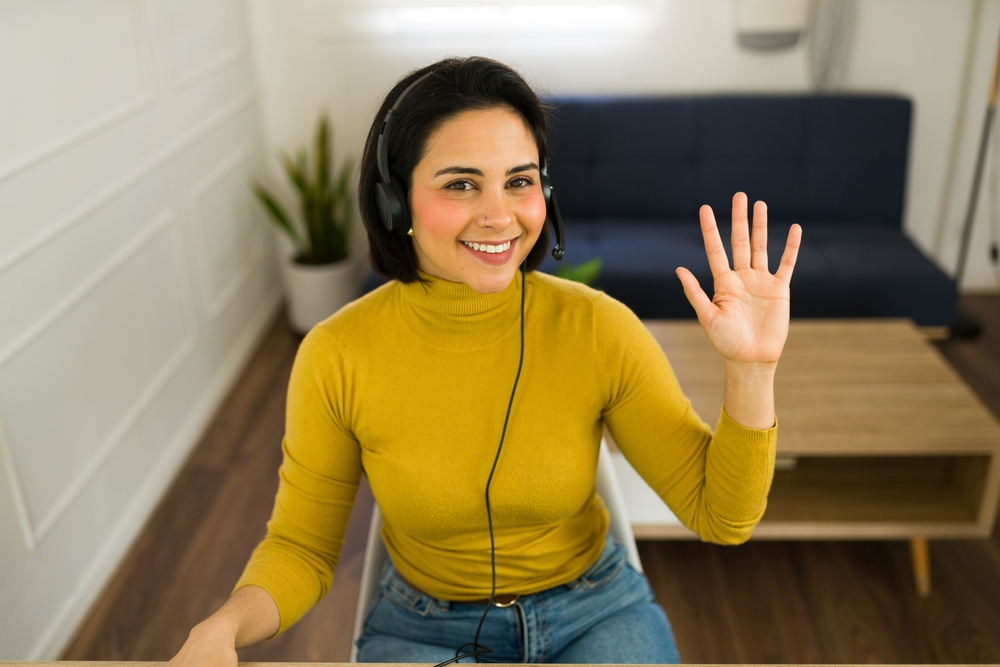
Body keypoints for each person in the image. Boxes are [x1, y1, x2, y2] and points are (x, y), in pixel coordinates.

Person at [167, 56, 801, 666]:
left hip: (595, 610)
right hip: (423, 627)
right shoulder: (336, 355)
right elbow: (302, 547)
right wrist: (222, 624)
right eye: (461, 183)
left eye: (520, 181)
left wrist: (753, 370)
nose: (500, 216)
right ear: (396, 202)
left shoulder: (599, 328)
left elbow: (723, 517)